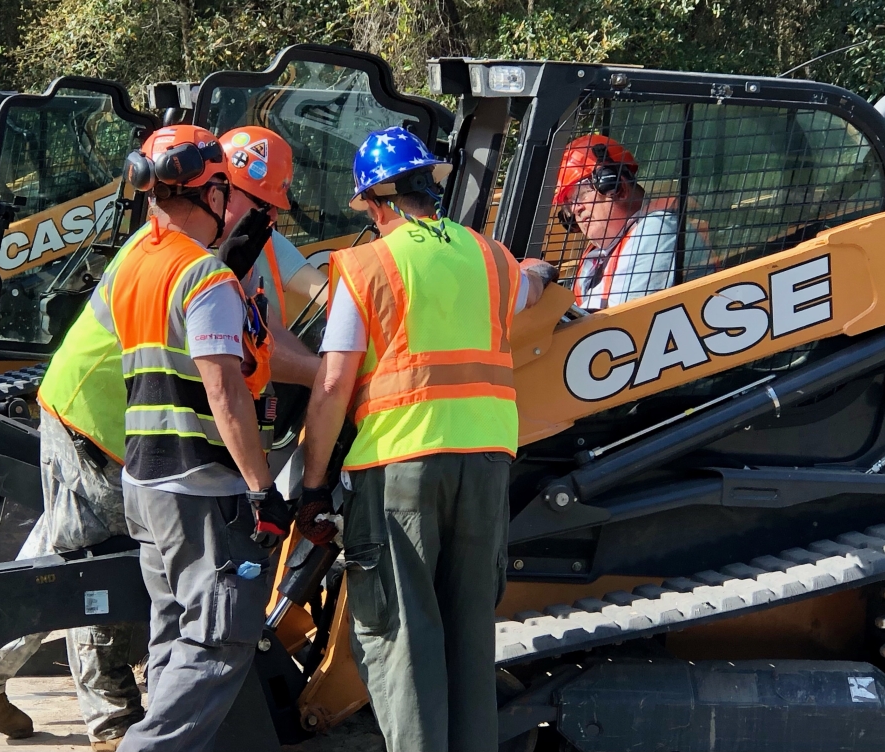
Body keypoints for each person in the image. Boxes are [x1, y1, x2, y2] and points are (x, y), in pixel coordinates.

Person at [294, 125, 553, 752]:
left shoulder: (366, 266)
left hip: (401, 469)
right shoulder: (490, 257)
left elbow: (332, 386)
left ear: (377, 199)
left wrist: (311, 483)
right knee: (469, 635)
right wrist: (541, 268)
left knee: (404, 637)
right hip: (488, 465)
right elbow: (529, 285)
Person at [105, 124, 291, 752]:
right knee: (220, 638)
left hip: (144, 481)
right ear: (212, 191)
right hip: (199, 485)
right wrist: (264, 490)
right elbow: (226, 393)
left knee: (174, 629)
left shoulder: (132, 264)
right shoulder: (207, 279)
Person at [0, 226, 158, 749]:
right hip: (101, 427)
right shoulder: (186, 253)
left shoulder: (203, 241)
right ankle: (112, 720)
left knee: (58, 545)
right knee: (102, 558)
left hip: (92, 414)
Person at [218, 125, 324, 388]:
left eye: (275, 206)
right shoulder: (187, 252)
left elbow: (324, 291)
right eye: (264, 204)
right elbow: (240, 347)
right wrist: (330, 377)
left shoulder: (258, 238)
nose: (274, 217)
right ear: (225, 191)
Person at [553, 133, 707, 310]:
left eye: (582, 193)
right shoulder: (597, 256)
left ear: (618, 187)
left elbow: (622, 322)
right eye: (569, 203)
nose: (575, 209)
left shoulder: (657, 229)